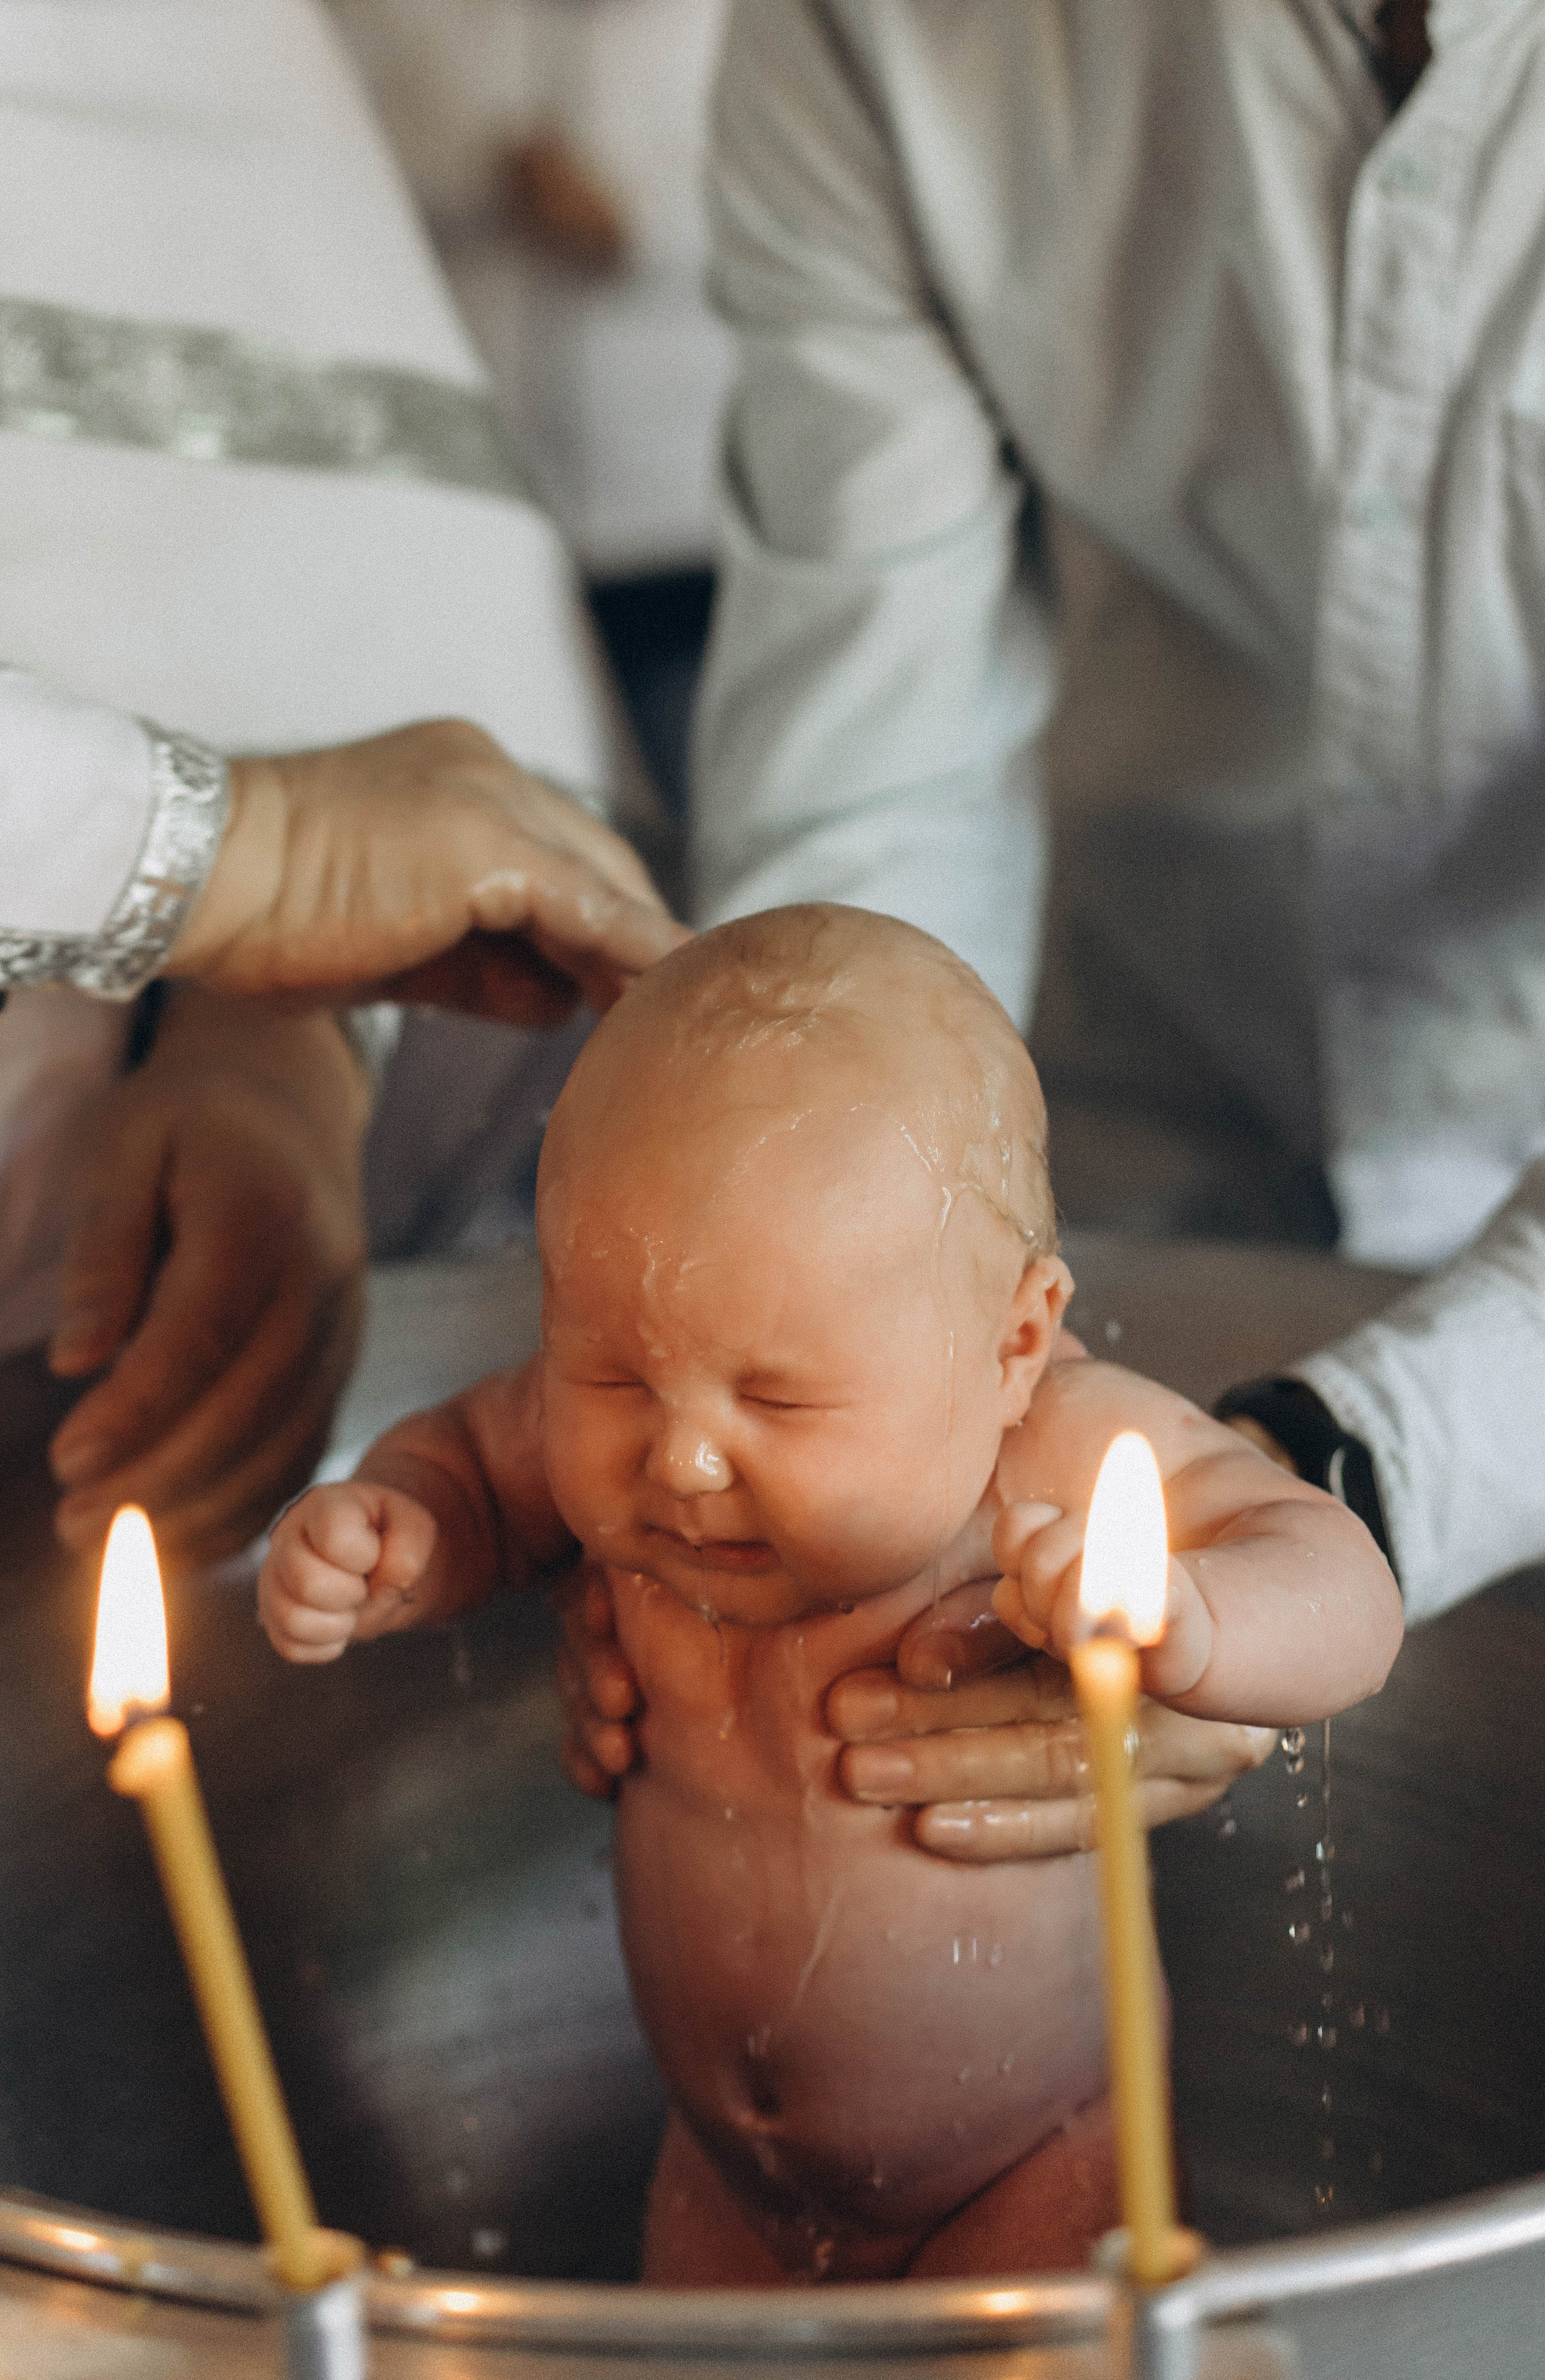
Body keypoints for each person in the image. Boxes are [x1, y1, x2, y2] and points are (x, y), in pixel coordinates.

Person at [550, 0, 1545, 1851]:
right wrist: (822, 1346)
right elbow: (876, 805)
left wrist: (1355, 1469)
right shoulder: (881, 35)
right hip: (1140, 1156)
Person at [257, 906, 1401, 2280]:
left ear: (1013, 1341)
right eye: (611, 1374)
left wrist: (1192, 1618)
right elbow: (471, 1469)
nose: (677, 1457)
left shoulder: (1052, 1452)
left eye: (777, 1397)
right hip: (727, 2178)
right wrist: (402, 1529)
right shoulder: (631, 1428)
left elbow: (1343, 1585)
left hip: (1033, 2161)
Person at [0, 0, 682, 1557]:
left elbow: (330, 560)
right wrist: (239, 857)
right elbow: (273, 845)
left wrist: (277, 1033)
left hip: (94, 1284)